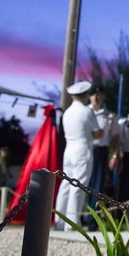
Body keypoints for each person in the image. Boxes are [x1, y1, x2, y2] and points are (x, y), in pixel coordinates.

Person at [54, 81, 102, 230]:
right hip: (82, 149)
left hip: (69, 150)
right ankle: (72, 222)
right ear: (85, 95)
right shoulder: (87, 112)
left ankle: (59, 221)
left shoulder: (67, 112)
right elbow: (97, 132)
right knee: (78, 186)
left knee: (66, 185)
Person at [87, 86, 119, 221]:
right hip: (86, 149)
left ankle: (93, 219)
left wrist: (115, 155)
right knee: (83, 183)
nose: (96, 97)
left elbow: (115, 137)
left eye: (99, 94)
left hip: (101, 150)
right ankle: (80, 216)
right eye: (93, 95)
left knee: (97, 185)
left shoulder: (109, 115)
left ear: (103, 96)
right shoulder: (86, 112)